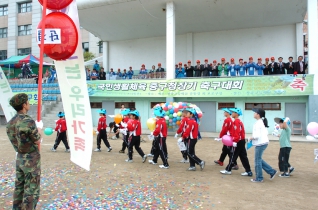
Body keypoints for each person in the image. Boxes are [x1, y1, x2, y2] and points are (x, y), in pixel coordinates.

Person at [6, 93, 42, 209]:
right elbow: (37, 140)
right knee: (31, 189)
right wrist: (39, 128)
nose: (29, 104)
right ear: (24, 105)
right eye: (27, 102)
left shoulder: (11, 122)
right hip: (31, 159)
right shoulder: (28, 121)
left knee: (19, 188)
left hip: (20, 157)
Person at [220, 108, 253, 176]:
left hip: (238, 141)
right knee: (243, 156)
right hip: (241, 140)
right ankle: (248, 171)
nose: (231, 113)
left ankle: (228, 169)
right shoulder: (238, 121)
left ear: (236, 114)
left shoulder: (236, 122)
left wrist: (235, 141)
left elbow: (237, 132)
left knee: (233, 155)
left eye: (233, 112)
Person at [249, 108, 277, 182]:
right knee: (259, 159)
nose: (254, 114)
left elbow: (257, 136)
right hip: (262, 143)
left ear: (258, 114)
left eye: (255, 112)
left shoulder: (258, 123)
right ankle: (271, 171)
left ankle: (259, 178)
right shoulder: (260, 122)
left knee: (257, 161)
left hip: (260, 143)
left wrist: (251, 138)